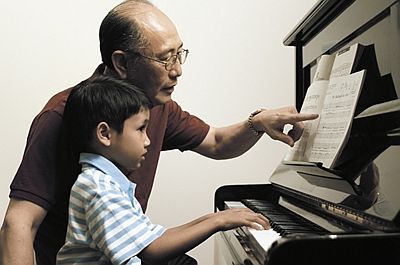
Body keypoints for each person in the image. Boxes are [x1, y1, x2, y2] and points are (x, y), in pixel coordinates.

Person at [0, 1, 318, 264]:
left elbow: (218, 143)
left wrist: (256, 122)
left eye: (180, 54)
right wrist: (217, 221)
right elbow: (19, 224)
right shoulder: (61, 115)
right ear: (121, 63)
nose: (178, 70)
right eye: (166, 58)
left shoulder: (157, 104)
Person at [55, 75, 269, 265]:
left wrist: (216, 218)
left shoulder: (105, 181)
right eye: (140, 129)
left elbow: (152, 237)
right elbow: (152, 250)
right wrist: (218, 221)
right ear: (105, 134)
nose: (148, 140)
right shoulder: (98, 189)